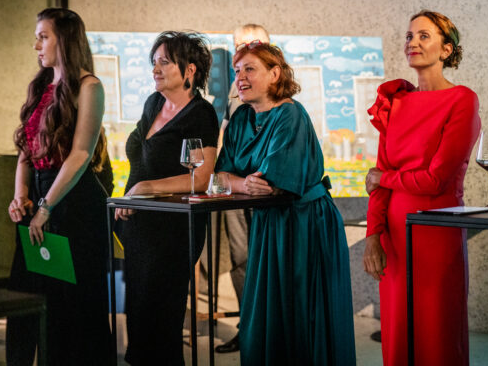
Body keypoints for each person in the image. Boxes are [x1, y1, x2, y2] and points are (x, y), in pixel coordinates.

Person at [213, 41, 356, 365]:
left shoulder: (290, 114)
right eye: (237, 71)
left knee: (302, 315)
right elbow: (219, 177)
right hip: (269, 224)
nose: (240, 78)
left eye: (250, 69)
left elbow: (272, 184)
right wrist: (242, 184)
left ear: (275, 73)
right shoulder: (240, 118)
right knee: (267, 316)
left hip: (305, 224)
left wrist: (240, 183)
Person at [362, 10, 481, 366]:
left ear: (446, 50)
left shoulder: (462, 99)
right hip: (395, 235)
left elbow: (435, 180)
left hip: (437, 229)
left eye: (424, 36)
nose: (412, 42)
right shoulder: (395, 100)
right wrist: (373, 235)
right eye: (409, 36)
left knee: (437, 330)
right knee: (398, 331)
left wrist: (384, 178)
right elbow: (379, 177)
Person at [6, 7, 110, 365]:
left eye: (43, 36)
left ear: (64, 39)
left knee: (73, 307)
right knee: (27, 296)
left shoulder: (89, 86)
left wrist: (46, 206)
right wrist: (21, 196)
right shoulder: (40, 85)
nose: (36, 44)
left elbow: (80, 153)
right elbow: (26, 148)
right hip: (39, 197)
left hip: (74, 202)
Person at [114, 31, 218, 365]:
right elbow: (141, 158)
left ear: (190, 70)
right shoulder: (153, 103)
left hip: (173, 230)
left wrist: (147, 188)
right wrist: (130, 199)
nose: (156, 69)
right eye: (154, 62)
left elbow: (201, 178)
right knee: (140, 318)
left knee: (162, 319)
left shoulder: (200, 114)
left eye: (165, 62)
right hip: (139, 227)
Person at [213, 23, 270, 354]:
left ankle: (270, 327)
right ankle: (247, 327)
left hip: (266, 191)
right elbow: (224, 137)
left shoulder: (281, 92)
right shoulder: (234, 93)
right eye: (240, 45)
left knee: (268, 256)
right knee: (240, 256)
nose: (246, 49)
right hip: (235, 189)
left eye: (254, 43)